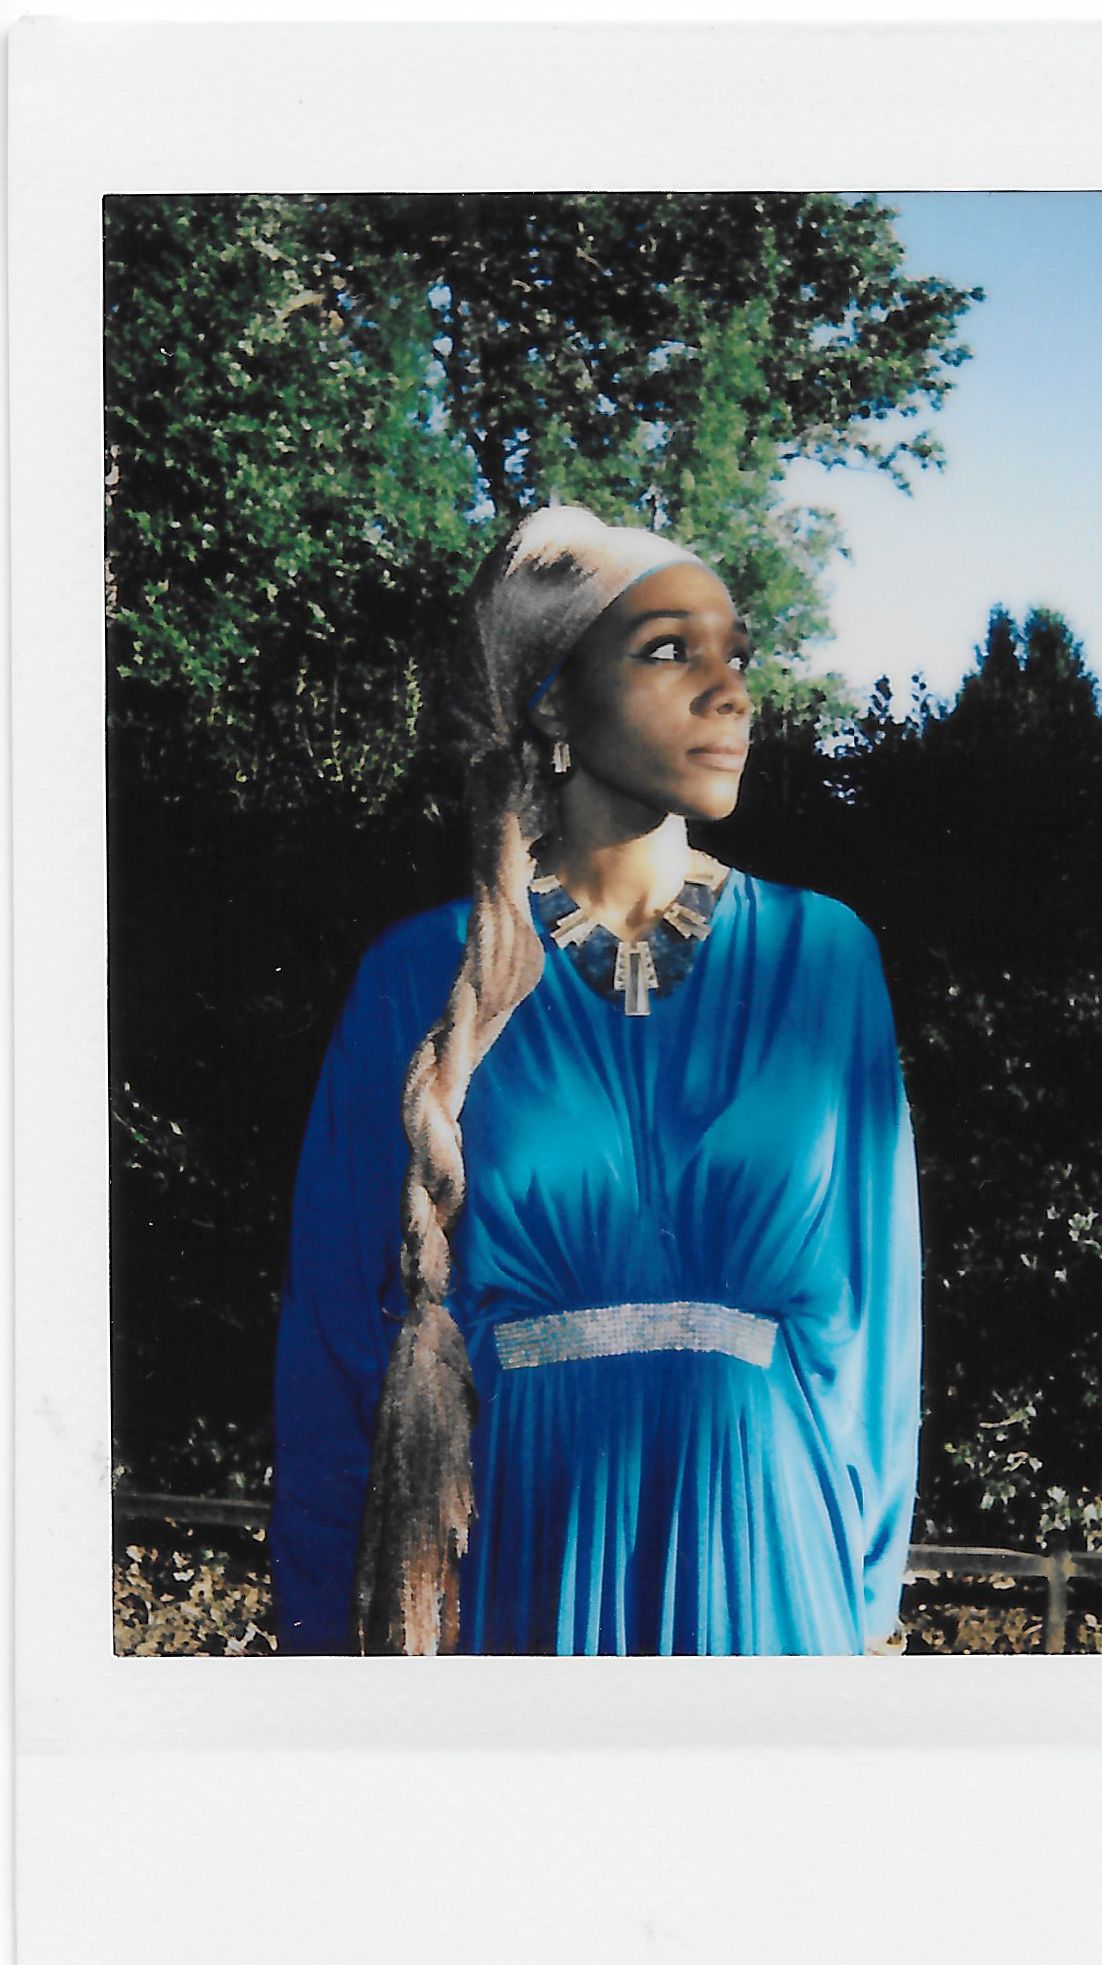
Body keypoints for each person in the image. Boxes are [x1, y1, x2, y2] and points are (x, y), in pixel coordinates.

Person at [270, 506, 921, 1655]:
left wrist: (858, 1621)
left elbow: (872, 1327)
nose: (727, 693)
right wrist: (327, 1643)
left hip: (771, 1570)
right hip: (515, 1544)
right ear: (553, 699)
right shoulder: (418, 974)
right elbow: (336, 1335)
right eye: (670, 652)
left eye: (737, 657)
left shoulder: (828, 959)